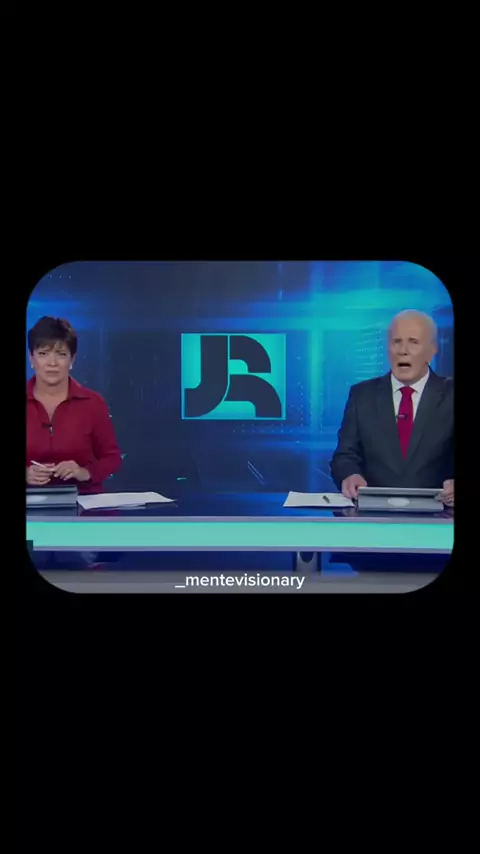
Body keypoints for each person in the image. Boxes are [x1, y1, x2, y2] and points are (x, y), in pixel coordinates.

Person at [330, 310, 454, 507]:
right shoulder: (362, 395)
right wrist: (350, 474)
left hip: (439, 515)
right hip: (374, 514)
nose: (402, 350)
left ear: (432, 350)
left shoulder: (450, 395)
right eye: (396, 342)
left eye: (413, 342)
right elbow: (345, 455)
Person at [27, 316, 122, 494]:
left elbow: (112, 458)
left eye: (61, 354)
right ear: (31, 358)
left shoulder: (93, 403)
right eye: (43, 354)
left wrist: (84, 472)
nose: (52, 363)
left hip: (84, 500)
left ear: (72, 359)